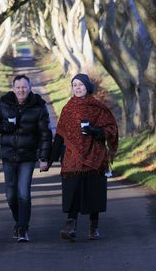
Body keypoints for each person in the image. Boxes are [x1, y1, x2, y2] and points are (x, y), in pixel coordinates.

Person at [0, 74, 53, 243]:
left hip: (27, 157)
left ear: (30, 88)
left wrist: (44, 157)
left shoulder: (38, 106)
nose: (21, 90)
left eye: (24, 87)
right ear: (13, 88)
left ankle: (23, 228)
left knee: (23, 193)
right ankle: (18, 221)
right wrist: (4, 127)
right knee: (10, 195)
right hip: (8, 156)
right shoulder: (4, 103)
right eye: (18, 87)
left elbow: (45, 134)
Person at [51, 73, 118, 241]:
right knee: (72, 190)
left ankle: (94, 226)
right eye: (74, 85)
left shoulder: (98, 107)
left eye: (80, 85)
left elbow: (111, 129)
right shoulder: (68, 109)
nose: (77, 88)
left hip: (95, 156)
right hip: (72, 158)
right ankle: (70, 225)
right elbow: (60, 135)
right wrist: (49, 159)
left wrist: (96, 131)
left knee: (93, 191)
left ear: (87, 86)